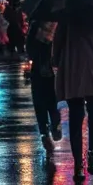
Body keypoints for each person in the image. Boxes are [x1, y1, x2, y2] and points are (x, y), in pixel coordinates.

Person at [52, 11, 93, 180]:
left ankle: (78, 165)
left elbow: (57, 44)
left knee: (75, 115)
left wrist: (56, 62)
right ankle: (92, 152)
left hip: (73, 68)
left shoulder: (67, 14)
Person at [27, 18, 62, 153]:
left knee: (40, 103)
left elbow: (29, 48)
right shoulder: (60, 24)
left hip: (39, 70)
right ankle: (54, 124)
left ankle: (45, 132)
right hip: (53, 70)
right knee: (52, 100)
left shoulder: (36, 23)